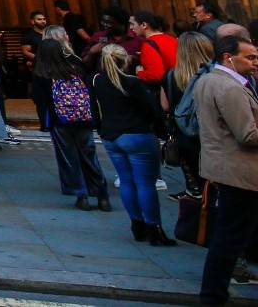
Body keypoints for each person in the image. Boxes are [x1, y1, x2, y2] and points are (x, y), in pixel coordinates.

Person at [195, 36, 258, 305]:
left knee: (231, 235)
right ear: (228, 57)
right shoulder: (230, 87)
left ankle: (214, 294)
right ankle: (213, 295)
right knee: (230, 238)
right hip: (240, 172)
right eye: (250, 57)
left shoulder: (207, 80)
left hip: (224, 168)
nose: (255, 62)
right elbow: (248, 134)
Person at [92, 44, 171, 244]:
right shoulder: (132, 82)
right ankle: (154, 228)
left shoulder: (97, 80)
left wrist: (101, 128)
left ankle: (137, 224)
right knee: (145, 184)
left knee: (126, 181)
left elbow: (95, 109)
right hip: (136, 133)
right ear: (125, 60)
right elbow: (150, 109)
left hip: (111, 134)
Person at [31, 39, 108, 210]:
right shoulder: (75, 69)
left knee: (69, 158)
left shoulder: (42, 74)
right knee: (89, 156)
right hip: (83, 119)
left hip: (60, 120)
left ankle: (82, 195)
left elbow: (38, 98)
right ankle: (102, 195)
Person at [165, 32, 214, 200]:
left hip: (185, 135)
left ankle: (203, 217)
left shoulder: (172, 75)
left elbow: (165, 106)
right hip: (211, 133)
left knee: (199, 186)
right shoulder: (213, 75)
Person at [134, 13, 179, 88]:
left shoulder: (148, 45)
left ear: (144, 25)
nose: (131, 28)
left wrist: (140, 73)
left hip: (167, 89)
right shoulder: (172, 39)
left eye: (132, 24)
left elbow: (156, 75)